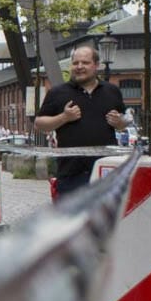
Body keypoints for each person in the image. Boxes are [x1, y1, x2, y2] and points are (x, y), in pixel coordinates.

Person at [35, 46, 128, 197]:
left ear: (96, 65)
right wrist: (64, 117)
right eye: (75, 63)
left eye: (85, 62)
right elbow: (39, 124)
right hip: (71, 175)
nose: (79, 67)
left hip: (105, 171)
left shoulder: (112, 91)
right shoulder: (58, 93)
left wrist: (119, 122)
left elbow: (123, 122)